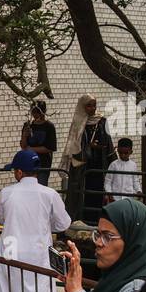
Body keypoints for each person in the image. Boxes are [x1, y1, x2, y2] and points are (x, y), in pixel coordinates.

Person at [0, 149, 72, 292]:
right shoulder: (49, 194)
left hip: (10, 248)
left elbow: (3, 219)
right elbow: (63, 224)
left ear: (19, 172)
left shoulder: (6, 193)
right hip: (38, 251)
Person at [58, 94, 113, 222]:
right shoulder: (78, 123)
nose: (92, 108)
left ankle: (96, 221)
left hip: (99, 164)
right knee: (79, 195)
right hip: (82, 166)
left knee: (97, 194)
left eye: (94, 105)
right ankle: (79, 221)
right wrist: (89, 146)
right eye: (89, 105)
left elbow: (108, 142)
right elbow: (74, 146)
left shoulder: (102, 121)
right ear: (82, 107)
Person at [20, 101, 58, 186]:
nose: (35, 115)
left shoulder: (49, 126)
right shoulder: (28, 125)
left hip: (43, 164)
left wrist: (31, 149)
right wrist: (24, 136)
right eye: (33, 112)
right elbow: (23, 146)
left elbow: (50, 147)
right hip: (28, 163)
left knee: (41, 186)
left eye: (38, 112)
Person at [103, 138, 142, 203]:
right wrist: (109, 193)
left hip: (129, 199)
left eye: (126, 153)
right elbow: (108, 181)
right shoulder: (113, 165)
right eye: (120, 153)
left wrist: (139, 191)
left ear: (131, 152)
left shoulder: (133, 165)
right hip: (115, 199)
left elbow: (135, 181)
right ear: (117, 150)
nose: (123, 155)